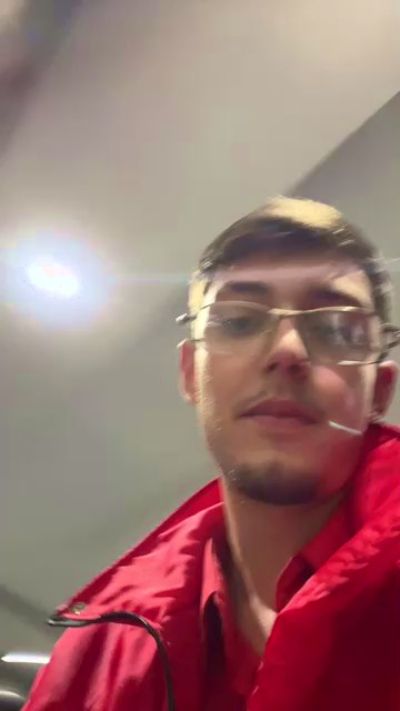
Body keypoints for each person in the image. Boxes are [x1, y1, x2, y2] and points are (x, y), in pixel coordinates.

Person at [23, 197, 400, 711]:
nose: (287, 350)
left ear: (380, 390)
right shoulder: (95, 653)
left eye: (335, 328)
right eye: (239, 321)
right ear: (189, 374)